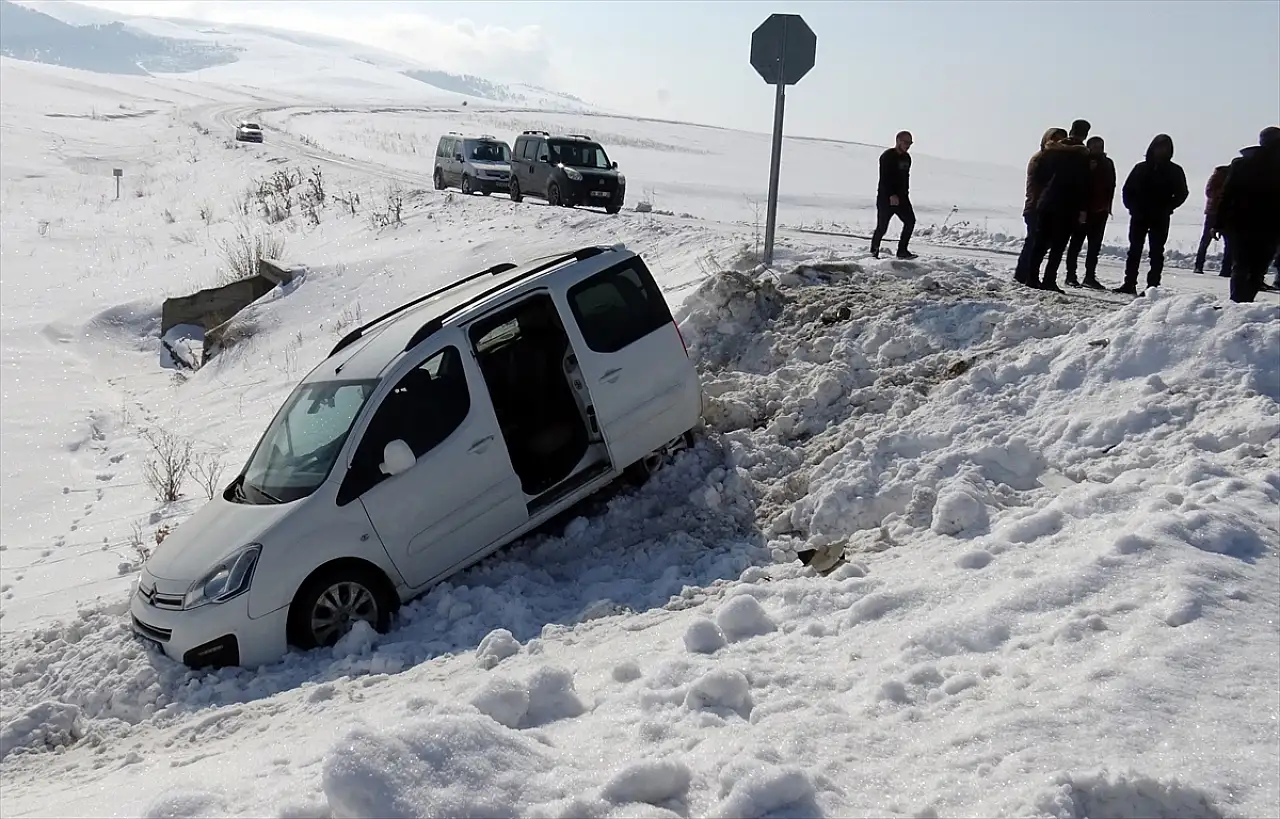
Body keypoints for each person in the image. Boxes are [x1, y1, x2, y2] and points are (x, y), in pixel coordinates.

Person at [1113, 134, 1188, 295]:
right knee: (1134, 250)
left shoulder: (1175, 170)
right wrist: (1132, 207)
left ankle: (1152, 286)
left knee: (1156, 252)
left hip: (1160, 217)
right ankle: (1129, 283)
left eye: (1165, 147)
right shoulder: (1141, 168)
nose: (1161, 150)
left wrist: (1168, 207)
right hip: (1139, 215)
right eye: (1159, 147)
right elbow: (1127, 190)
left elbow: (1182, 193)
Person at [1025, 119, 1092, 292]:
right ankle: (1049, 279)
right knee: (1058, 245)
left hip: (1047, 201)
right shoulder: (1082, 154)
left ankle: (1031, 277)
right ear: (1085, 134)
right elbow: (1083, 183)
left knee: (1040, 242)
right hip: (1069, 204)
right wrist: (1083, 209)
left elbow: (1039, 175)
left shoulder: (1051, 150)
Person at [1217, 126, 1280, 303]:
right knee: (1255, 268)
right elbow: (1228, 193)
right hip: (1263, 225)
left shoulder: (1242, 163)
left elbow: (1226, 194)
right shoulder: (1243, 164)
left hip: (1245, 223)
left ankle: (1238, 302)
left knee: (1244, 266)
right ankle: (1242, 302)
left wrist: (1218, 222)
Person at [1014, 127, 1067, 285]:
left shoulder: (1053, 160)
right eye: (1055, 139)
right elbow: (1037, 185)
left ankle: (1025, 274)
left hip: (1046, 206)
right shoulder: (1041, 158)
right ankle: (1023, 274)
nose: (1057, 143)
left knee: (1040, 242)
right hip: (1036, 206)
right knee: (1034, 242)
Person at [1064, 135, 1115, 289]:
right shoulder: (1083, 161)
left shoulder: (1107, 163)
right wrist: (1081, 209)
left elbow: (1111, 185)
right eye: (1094, 147)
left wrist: (1107, 206)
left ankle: (1089, 276)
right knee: (1076, 244)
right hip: (1083, 211)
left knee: (1094, 247)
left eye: (1100, 147)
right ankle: (1070, 275)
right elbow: (1080, 186)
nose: (1097, 150)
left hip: (1100, 211)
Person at [870, 131, 917, 260]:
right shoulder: (887, 156)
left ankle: (902, 251)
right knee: (882, 227)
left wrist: (904, 194)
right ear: (898, 140)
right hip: (886, 198)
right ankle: (873, 252)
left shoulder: (907, 158)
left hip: (902, 198)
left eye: (910, 143)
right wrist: (891, 194)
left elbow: (905, 178)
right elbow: (885, 178)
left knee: (910, 221)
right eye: (905, 142)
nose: (908, 145)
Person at [1193, 164, 1230, 274]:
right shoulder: (1218, 175)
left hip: (1227, 213)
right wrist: (1222, 193)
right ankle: (1198, 266)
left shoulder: (1233, 175)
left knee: (1229, 243)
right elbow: (1209, 191)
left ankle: (1226, 269)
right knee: (1206, 240)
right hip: (1213, 212)